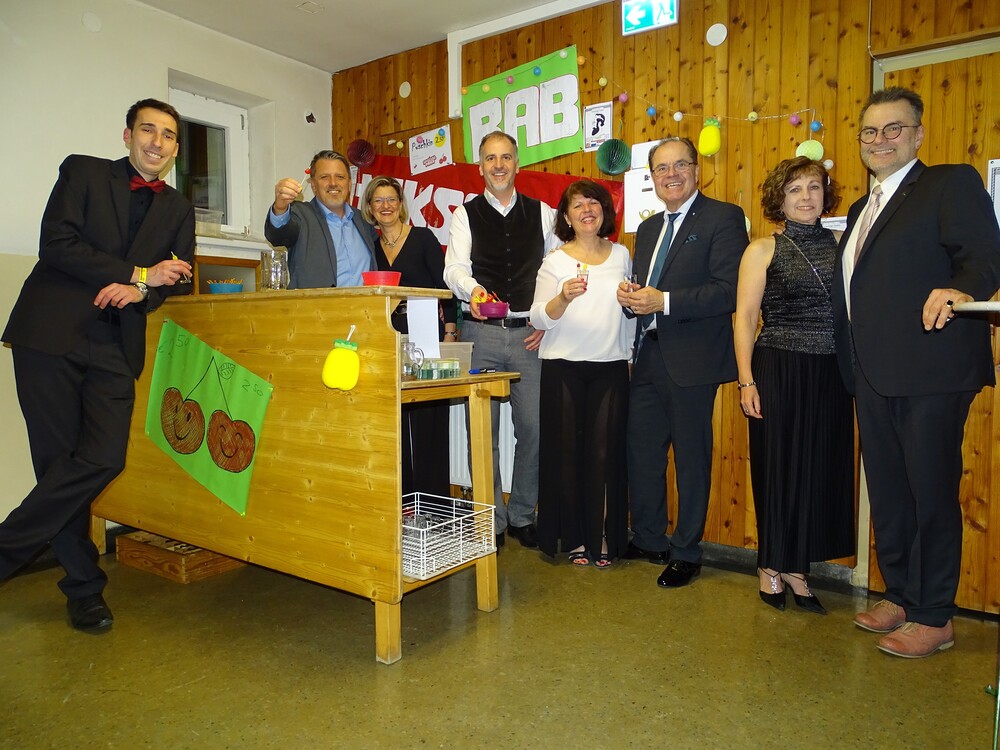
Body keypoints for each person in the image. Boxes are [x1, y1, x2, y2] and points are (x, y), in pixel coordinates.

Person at [0, 98, 195, 632]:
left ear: (176, 149)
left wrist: (143, 293)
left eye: (168, 135)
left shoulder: (179, 208)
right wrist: (138, 274)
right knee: (57, 464)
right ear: (128, 135)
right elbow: (57, 243)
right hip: (51, 333)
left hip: (115, 343)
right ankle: (84, 588)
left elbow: (179, 275)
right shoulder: (83, 172)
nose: (157, 142)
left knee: (103, 458)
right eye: (148, 130)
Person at [833, 86, 1000, 657]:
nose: (880, 140)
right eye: (870, 131)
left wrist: (962, 289)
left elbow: (984, 253)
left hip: (931, 369)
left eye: (894, 129)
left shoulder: (949, 184)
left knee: (930, 495)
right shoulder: (862, 208)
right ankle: (902, 595)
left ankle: (935, 616)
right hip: (871, 373)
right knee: (889, 494)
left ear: (918, 134)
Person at [617, 136, 748, 587]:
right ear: (652, 177)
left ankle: (687, 551)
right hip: (646, 355)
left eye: (680, 165)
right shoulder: (648, 228)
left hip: (693, 359)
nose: (670, 175)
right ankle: (649, 538)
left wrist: (664, 301)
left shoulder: (724, 217)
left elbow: (729, 291)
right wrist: (631, 299)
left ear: (696, 169)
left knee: (692, 459)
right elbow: (646, 290)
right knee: (642, 453)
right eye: (661, 168)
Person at [734, 157, 854, 615]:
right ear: (779, 200)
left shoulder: (844, 244)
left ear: (826, 194)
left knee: (818, 471)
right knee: (778, 470)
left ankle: (797, 569)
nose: (806, 197)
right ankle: (770, 565)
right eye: (795, 189)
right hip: (778, 368)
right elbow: (746, 318)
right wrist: (746, 380)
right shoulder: (762, 249)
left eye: (813, 187)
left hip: (832, 372)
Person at [443, 131, 557, 548]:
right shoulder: (464, 214)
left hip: (529, 335)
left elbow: (556, 269)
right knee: (482, 432)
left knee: (534, 429)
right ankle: (489, 519)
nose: (498, 165)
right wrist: (472, 290)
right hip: (481, 336)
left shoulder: (543, 213)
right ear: (480, 167)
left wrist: (546, 318)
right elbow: (454, 268)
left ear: (517, 164)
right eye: (490, 158)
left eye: (506, 157)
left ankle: (523, 514)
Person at [529, 180, 634, 567]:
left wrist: (630, 353)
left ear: (604, 211)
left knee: (604, 457)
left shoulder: (621, 255)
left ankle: (601, 536)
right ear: (567, 217)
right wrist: (563, 297)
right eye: (578, 205)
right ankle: (574, 538)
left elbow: (628, 310)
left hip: (610, 367)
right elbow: (538, 316)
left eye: (594, 203)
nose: (587, 210)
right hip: (563, 369)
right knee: (568, 457)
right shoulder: (555, 261)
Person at [361, 175, 457, 497]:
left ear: (401, 204)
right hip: (387, 339)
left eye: (391, 199)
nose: (385, 206)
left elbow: (446, 289)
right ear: (370, 208)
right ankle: (402, 500)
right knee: (394, 421)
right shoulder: (370, 247)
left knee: (430, 418)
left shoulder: (423, 238)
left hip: (427, 335)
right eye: (378, 200)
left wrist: (450, 332)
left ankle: (434, 501)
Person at [264, 149, 378, 289]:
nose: (333, 183)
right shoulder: (299, 214)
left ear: (349, 184)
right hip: (316, 303)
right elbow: (278, 236)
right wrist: (280, 207)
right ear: (313, 185)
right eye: (324, 177)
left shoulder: (364, 220)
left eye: (340, 177)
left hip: (365, 303)